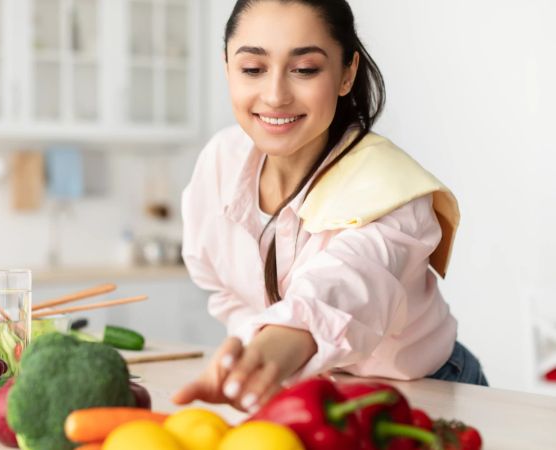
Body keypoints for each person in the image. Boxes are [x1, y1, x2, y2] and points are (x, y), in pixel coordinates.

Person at [173, 0, 488, 414]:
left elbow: (349, 283)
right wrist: (258, 353)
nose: (275, 95)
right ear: (227, 66)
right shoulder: (221, 161)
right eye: (252, 69)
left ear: (346, 73)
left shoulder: (389, 186)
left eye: (304, 69)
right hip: (310, 395)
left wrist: (279, 343)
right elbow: (221, 285)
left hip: (423, 393)